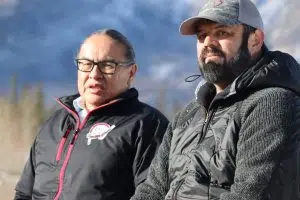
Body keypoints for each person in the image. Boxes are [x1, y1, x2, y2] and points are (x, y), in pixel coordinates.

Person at [131, 0, 300, 199]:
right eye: (202, 36)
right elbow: (152, 190)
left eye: (222, 33)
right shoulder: (187, 116)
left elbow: (249, 193)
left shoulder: (271, 103)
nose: (208, 43)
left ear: (255, 40)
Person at [14, 29, 169, 200]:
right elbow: (24, 193)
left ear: (131, 72)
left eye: (107, 66)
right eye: (86, 64)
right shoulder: (55, 124)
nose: (94, 75)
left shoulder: (147, 125)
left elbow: (154, 195)